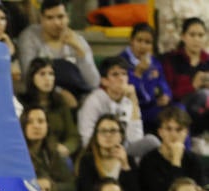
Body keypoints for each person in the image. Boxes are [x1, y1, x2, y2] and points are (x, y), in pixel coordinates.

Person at [74, 113, 157, 191]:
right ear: (96, 135)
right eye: (103, 131)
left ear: (121, 136)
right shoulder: (87, 160)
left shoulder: (128, 159)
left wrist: (125, 166)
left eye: (113, 131)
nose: (108, 135)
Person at [76, 55, 160, 161]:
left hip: (124, 149)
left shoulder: (129, 100)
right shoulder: (93, 101)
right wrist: (109, 147)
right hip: (100, 149)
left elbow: (135, 139)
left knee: (152, 142)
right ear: (104, 81)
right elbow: (86, 138)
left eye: (124, 74)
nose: (121, 78)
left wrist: (134, 101)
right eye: (115, 74)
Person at [17, 0, 99, 100]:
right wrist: (59, 92)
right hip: (42, 96)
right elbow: (28, 76)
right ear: (41, 19)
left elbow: (93, 83)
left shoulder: (78, 41)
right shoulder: (30, 37)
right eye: (50, 18)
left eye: (60, 17)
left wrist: (80, 51)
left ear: (67, 18)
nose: (56, 23)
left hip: (77, 96)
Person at [138, 105, 207, 191]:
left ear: (186, 133)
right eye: (169, 129)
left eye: (179, 130)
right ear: (160, 132)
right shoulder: (149, 160)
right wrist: (176, 162)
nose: (173, 134)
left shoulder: (193, 160)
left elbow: (201, 189)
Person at [161, 17, 209, 152]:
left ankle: (200, 139)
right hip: (178, 106)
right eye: (192, 35)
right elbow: (169, 92)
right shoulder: (172, 59)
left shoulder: (207, 60)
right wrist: (192, 85)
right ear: (183, 37)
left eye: (200, 35)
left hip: (202, 111)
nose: (196, 39)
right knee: (203, 94)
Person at [17, 57, 81, 156]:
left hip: (56, 153)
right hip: (28, 153)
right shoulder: (21, 101)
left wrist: (66, 147)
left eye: (51, 74)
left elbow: (73, 135)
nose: (48, 78)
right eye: (42, 74)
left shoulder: (60, 101)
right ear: (32, 77)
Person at [20, 105, 75, 191]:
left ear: (47, 126)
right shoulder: (16, 155)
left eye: (41, 121)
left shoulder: (53, 154)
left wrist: (48, 187)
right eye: (30, 122)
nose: (36, 126)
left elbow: (71, 188)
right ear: (22, 126)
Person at [120, 22, 172, 134]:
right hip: (134, 109)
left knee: (178, 112)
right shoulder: (121, 62)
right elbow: (127, 92)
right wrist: (138, 74)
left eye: (147, 42)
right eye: (139, 40)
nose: (143, 46)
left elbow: (162, 82)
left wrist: (166, 95)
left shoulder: (154, 62)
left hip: (154, 107)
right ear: (131, 41)